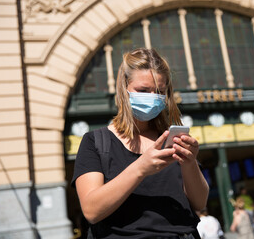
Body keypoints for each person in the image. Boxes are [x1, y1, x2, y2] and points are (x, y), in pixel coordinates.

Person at [72, 48, 209, 238]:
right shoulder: (95, 142)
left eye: (160, 91)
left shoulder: (171, 139)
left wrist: (190, 162)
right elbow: (92, 211)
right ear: (124, 88)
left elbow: (199, 203)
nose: (152, 97)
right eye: (143, 90)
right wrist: (141, 168)